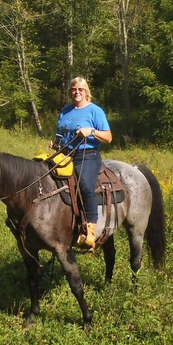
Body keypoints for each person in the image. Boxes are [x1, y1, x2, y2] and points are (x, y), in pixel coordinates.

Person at [51, 76, 113, 249]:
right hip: (65, 154)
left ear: (86, 92)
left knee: (85, 185)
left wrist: (91, 131)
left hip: (88, 155)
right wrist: (55, 143)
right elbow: (60, 134)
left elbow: (108, 137)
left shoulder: (95, 111)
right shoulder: (65, 111)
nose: (76, 92)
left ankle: (90, 231)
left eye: (80, 89)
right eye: (73, 89)